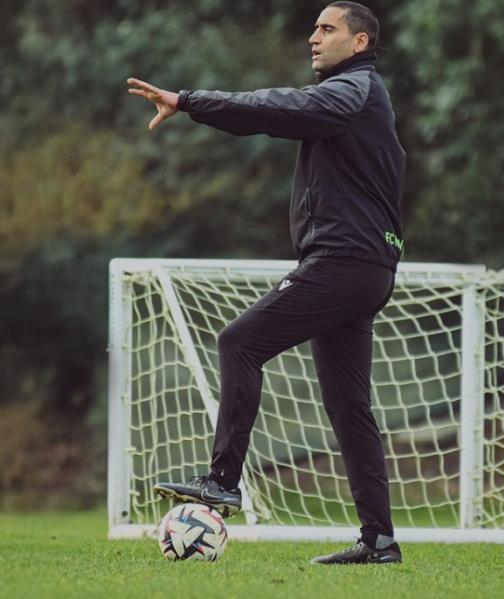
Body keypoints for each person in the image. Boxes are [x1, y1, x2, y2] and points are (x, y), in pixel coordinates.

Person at [127, 2, 405, 565]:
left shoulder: (354, 90)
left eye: (327, 28)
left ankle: (222, 482)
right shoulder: (354, 95)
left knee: (240, 341)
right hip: (364, 266)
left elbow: (275, 108)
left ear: (359, 43)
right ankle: (379, 541)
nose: (313, 37)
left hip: (344, 261)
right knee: (349, 406)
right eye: (313, 28)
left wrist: (190, 101)